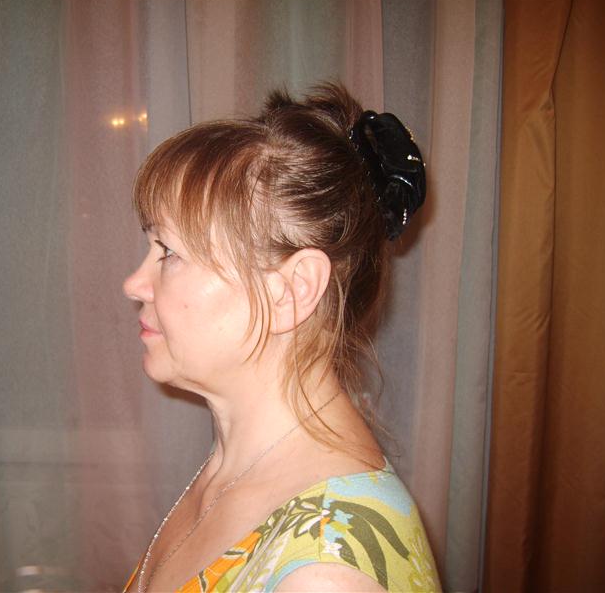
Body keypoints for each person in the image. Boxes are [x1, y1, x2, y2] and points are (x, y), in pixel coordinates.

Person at [122, 82, 441, 593]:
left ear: (292, 290)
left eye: (170, 253)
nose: (135, 284)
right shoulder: (238, 465)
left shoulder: (326, 574)